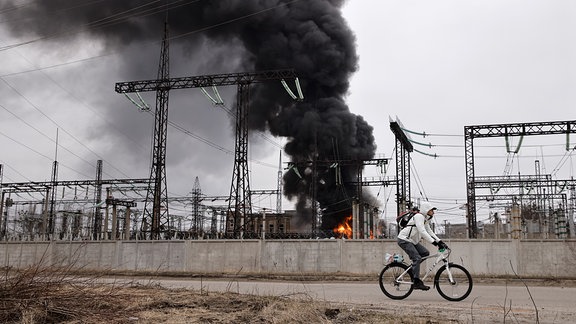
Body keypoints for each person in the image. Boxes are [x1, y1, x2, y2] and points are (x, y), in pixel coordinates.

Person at [397, 201, 448, 290]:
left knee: (425, 253)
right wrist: (434, 243)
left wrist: (440, 241)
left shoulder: (425, 219)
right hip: (404, 239)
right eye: (432, 210)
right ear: (426, 210)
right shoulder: (418, 217)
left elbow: (430, 232)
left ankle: (413, 268)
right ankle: (416, 282)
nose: (433, 212)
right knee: (417, 258)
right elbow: (422, 231)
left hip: (412, 241)